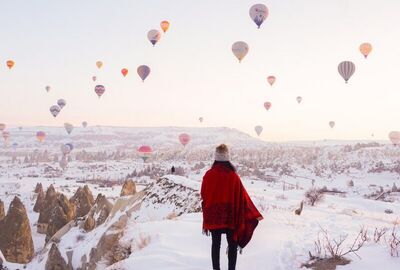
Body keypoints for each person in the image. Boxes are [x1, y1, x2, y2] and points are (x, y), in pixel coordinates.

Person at [201, 144, 263, 270]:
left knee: (215, 243)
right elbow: (242, 197)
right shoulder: (233, 176)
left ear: (216, 158)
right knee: (232, 243)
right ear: (227, 158)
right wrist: (252, 213)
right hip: (231, 216)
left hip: (214, 216)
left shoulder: (208, 175)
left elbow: (203, 194)